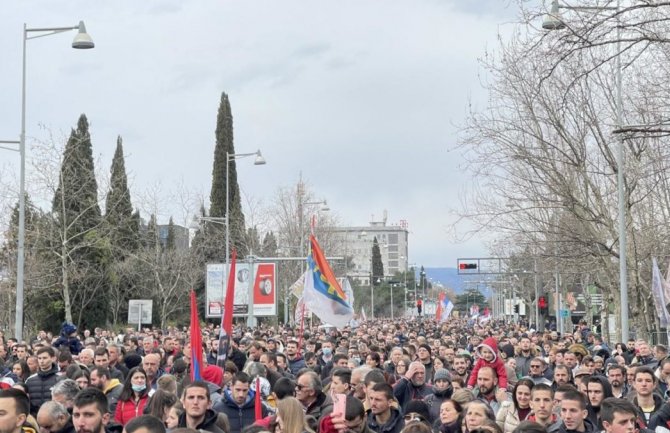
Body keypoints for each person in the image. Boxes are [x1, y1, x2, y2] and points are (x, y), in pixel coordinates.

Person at [25, 346, 60, 416]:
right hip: (34, 418)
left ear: (53, 358)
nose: (41, 361)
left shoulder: (61, 378)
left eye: (45, 358)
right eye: (39, 358)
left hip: (54, 417)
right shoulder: (29, 380)